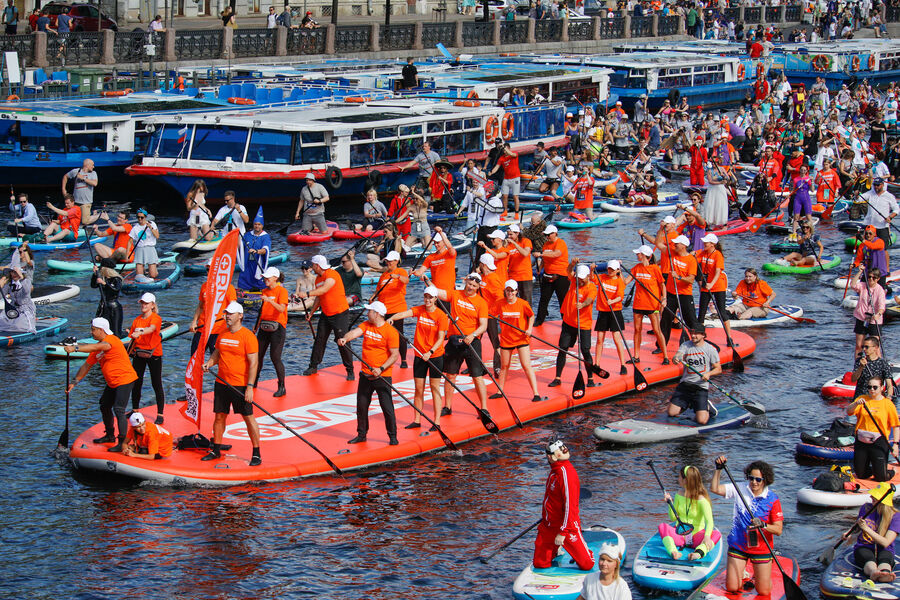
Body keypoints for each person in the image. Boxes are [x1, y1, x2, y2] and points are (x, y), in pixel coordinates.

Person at [710, 456, 783, 596]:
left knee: (763, 591)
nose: (754, 482)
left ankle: (761, 577)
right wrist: (718, 469)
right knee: (732, 587)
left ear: (765, 480)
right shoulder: (740, 488)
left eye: (758, 480)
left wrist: (763, 525)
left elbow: (778, 530)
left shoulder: (773, 499)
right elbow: (714, 488)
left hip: (761, 548)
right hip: (739, 544)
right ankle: (743, 573)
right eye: (751, 478)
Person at [64, 317, 139, 453]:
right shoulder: (97, 348)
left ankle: (122, 442)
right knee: (104, 405)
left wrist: (75, 348)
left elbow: (99, 346)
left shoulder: (111, 341)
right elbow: (87, 366)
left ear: (101, 330)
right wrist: (74, 382)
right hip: (113, 382)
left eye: (93, 330)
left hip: (125, 380)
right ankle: (110, 435)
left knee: (119, 409)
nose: (91, 332)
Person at [200, 301, 262, 465]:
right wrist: (209, 363)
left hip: (240, 385)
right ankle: (216, 450)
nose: (227, 316)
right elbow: (217, 353)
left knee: (248, 418)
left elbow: (254, 363)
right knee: (219, 416)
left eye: (231, 313)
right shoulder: (222, 334)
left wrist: (250, 387)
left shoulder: (248, 336)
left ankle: (256, 453)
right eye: (226, 313)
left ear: (240, 316)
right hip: (221, 383)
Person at [339, 301, 400, 446]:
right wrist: (345, 338)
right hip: (365, 374)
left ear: (377, 314)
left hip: (382, 375)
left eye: (370, 311)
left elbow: (394, 355)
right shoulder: (366, 325)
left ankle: (392, 436)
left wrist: (381, 368)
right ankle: (361, 434)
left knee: (386, 407)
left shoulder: (390, 332)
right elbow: (354, 333)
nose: (367, 314)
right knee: (361, 405)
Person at [387, 286, 448, 429]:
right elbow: (404, 314)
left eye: (430, 297)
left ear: (435, 299)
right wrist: (392, 318)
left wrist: (430, 352)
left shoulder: (441, 316)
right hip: (419, 355)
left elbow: (441, 339)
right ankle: (417, 420)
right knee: (418, 389)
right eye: (426, 297)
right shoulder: (420, 309)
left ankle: (437, 422)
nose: (427, 300)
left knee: (434, 388)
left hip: (435, 356)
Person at [430, 272, 490, 415]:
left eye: (474, 286)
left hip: (472, 342)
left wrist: (473, 335)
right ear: (466, 282)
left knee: (477, 376)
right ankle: (448, 407)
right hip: (454, 340)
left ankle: (484, 408)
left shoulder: (481, 302)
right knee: (450, 375)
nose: (470, 287)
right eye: (469, 284)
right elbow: (438, 292)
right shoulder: (456, 294)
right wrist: (427, 281)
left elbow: (483, 326)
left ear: (478, 287)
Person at [534, 439, 594, 571]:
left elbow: (570, 506)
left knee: (587, 564)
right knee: (540, 563)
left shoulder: (566, 474)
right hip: (549, 525)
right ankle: (556, 550)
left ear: (551, 457)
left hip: (566, 526)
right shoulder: (554, 472)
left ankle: (585, 551)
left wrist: (563, 532)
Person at [299, 255, 354, 380]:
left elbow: (325, 289)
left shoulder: (332, 274)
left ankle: (350, 370)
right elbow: (319, 297)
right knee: (320, 339)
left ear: (318, 265)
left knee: (342, 341)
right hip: (326, 313)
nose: (311, 267)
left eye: (312, 265)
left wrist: (307, 294)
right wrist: (311, 312)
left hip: (339, 313)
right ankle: (313, 366)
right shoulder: (318, 279)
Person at [549, 262, 598, 388]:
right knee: (562, 348)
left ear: (588, 277)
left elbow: (590, 299)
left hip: (583, 324)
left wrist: (583, 305)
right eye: (578, 278)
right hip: (568, 322)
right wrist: (572, 264)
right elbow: (568, 271)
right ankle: (557, 378)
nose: (579, 281)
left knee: (585, 351)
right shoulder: (573, 282)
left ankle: (591, 378)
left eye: (582, 279)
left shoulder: (591, 287)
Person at [492, 280, 541, 402]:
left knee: (526, 365)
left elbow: (531, 316)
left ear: (516, 291)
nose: (510, 293)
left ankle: (536, 393)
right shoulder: (500, 303)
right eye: (508, 290)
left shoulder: (523, 304)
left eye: (512, 291)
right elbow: (489, 314)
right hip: (506, 339)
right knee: (504, 366)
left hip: (521, 338)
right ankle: (500, 391)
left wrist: (529, 329)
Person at [658, 465, 720, 560]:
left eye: (679, 477)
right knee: (663, 526)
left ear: (685, 480)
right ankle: (673, 551)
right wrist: (670, 504)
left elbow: (710, 522)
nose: (678, 479)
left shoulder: (702, 500)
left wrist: (707, 537)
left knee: (716, 534)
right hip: (679, 534)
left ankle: (698, 553)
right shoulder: (679, 494)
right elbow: (673, 518)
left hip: (696, 537)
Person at [624, 244, 669, 364]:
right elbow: (626, 282)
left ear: (645, 256)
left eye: (638, 253)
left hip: (652, 304)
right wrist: (617, 273)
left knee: (656, 330)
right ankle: (636, 356)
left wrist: (663, 299)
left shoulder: (655, 269)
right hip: (638, 303)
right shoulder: (636, 267)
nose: (636, 255)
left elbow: (662, 285)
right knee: (637, 330)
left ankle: (665, 356)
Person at [849, 482, 900, 583]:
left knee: (885, 558)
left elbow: (885, 542)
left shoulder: (896, 516)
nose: (871, 496)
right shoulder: (865, 508)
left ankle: (885, 573)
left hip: (885, 549)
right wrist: (849, 535)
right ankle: (873, 572)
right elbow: (858, 528)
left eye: (875, 496)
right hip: (865, 546)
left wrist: (867, 529)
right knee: (868, 559)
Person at [668, 326, 721, 425]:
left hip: (700, 387)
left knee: (702, 421)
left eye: (696, 333)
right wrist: (676, 358)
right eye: (691, 333)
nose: (693, 335)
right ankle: (689, 403)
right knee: (671, 413)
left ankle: (707, 406)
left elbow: (718, 369)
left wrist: (708, 374)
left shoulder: (710, 350)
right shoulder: (686, 345)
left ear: (703, 335)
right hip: (685, 385)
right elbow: (679, 354)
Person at [128, 292, 166, 425]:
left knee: (156, 383)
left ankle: (160, 414)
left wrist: (140, 332)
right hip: (139, 354)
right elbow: (132, 339)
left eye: (146, 303)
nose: (144, 305)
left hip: (153, 354)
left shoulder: (155, 318)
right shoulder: (137, 320)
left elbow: (151, 329)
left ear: (152, 305)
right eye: (142, 303)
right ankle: (135, 409)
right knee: (136, 382)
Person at [189, 262, 236, 355]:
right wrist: (194, 322)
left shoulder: (228, 287)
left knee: (218, 360)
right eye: (207, 270)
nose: (209, 272)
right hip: (202, 328)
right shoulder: (204, 286)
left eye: (212, 270)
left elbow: (234, 308)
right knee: (194, 357)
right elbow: (200, 306)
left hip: (218, 330)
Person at [372, 250, 409, 368]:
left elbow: (406, 280)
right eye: (387, 261)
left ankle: (403, 359)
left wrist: (397, 276)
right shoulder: (384, 275)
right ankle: (386, 357)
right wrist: (373, 297)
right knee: (385, 334)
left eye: (390, 261)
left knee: (399, 334)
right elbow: (379, 289)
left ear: (396, 261)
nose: (388, 263)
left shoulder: (401, 271)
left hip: (397, 308)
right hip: (384, 309)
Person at [660, 235, 699, 345]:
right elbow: (659, 244)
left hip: (684, 294)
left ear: (683, 246)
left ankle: (697, 341)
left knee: (690, 319)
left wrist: (678, 277)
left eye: (677, 243)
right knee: (665, 319)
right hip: (671, 293)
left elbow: (691, 280)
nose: (675, 245)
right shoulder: (672, 253)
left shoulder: (691, 260)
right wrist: (662, 229)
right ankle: (661, 345)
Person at [256, 267, 288, 397]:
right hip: (264, 326)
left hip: (278, 327)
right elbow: (261, 311)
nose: (265, 279)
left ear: (275, 278)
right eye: (264, 277)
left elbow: (281, 308)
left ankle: (281, 386)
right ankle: (253, 382)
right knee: (257, 356)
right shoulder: (263, 291)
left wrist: (270, 300)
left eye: (267, 277)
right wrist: (255, 327)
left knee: (275, 357)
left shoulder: (282, 291)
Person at [593, 260, 628, 375]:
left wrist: (612, 301)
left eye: (612, 270)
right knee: (599, 339)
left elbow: (620, 297)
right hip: (603, 311)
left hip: (615, 312)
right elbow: (591, 278)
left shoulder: (619, 282)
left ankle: (622, 365)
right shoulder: (602, 277)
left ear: (618, 270)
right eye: (609, 269)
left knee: (617, 339)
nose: (610, 271)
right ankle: (596, 364)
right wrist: (591, 269)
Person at [695, 234, 732, 339]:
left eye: (706, 242)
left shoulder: (718, 255)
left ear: (712, 244)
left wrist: (712, 284)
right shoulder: (703, 253)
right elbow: (692, 258)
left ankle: (729, 337)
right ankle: (700, 336)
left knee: (721, 312)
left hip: (718, 286)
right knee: (701, 312)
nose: (704, 244)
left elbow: (718, 272)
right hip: (706, 286)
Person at [534, 225, 569, 327]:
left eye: (549, 235)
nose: (547, 237)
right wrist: (539, 268)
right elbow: (545, 259)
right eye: (546, 235)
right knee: (544, 299)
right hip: (547, 275)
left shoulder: (560, 243)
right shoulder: (546, 245)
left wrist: (540, 254)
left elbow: (556, 254)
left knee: (562, 299)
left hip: (561, 275)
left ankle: (566, 321)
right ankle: (540, 319)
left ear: (555, 234)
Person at [862, 178, 899, 272]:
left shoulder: (889, 196)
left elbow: (896, 210)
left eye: (878, 185)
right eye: (875, 185)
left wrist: (890, 217)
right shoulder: (870, 193)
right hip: (870, 227)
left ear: (882, 185)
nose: (876, 187)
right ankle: (868, 268)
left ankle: (886, 269)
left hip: (882, 226)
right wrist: (856, 193)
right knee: (867, 248)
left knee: (884, 249)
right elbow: (859, 198)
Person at [850, 263, 887, 357]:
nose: (871, 279)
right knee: (859, 345)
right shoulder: (863, 286)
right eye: (869, 277)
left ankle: (878, 366)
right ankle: (857, 366)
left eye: (874, 278)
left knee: (875, 347)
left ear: (878, 279)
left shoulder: (880, 290)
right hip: (861, 317)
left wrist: (878, 314)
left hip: (874, 320)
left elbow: (882, 307)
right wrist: (860, 272)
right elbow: (853, 285)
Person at [414, 226, 457, 303]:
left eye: (438, 242)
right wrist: (414, 272)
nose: (436, 245)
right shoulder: (430, 257)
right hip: (435, 293)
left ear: (443, 242)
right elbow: (420, 272)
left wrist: (440, 233)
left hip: (448, 292)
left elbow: (450, 247)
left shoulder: (450, 254)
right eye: (435, 243)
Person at [852, 335, 896, 400]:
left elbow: (889, 385)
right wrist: (861, 367)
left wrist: (889, 397)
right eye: (863, 346)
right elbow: (853, 379)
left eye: (866, 347)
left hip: (876, 399)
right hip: (861, 398)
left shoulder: (883, 363)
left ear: (875, 348)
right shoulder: (859, 361)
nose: (864, 349)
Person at [238, 209, 270, 291]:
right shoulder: (247, 235)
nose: (257, 226)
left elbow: (265, 249)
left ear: (262, 225)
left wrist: (257, 251)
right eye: (255, 224)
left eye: (259, 224)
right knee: (243, 282)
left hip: (258, 265)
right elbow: (240, 246)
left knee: (260, 283)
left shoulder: (265, 236)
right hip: (247, 265)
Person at [91, 258, 124, 337]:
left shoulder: (116, 279)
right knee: (99, 327)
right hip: (103, 306)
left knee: (115, 332)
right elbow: (93, 285)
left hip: (113, 307)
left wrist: (104, 284)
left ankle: (124, 334)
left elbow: (115, 290)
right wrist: (95, 275)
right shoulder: (102, 278)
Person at [61, 158, 98, 225]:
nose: (93, 167)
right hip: (75, 201)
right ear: (87, 165)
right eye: (92, 165)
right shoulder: (76, 171)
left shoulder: (93, 173)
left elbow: (95, 183)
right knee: (71, 218)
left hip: (86, 202)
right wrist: (64, 189)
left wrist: (83, 178)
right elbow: (65, 177)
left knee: (85, 221)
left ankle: (98, 215)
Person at [0, 265, 35, 334]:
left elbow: (26, 291)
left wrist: (21, 278)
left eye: (16, 272)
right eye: (12, 272)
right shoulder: (9, 284)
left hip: (25, 309)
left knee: (20, 327)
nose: (13, 274)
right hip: (12, 308)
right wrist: (1, 286)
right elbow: (1, 296)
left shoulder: (26, 282)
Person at [491, 143, 521, 218]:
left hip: (515, 178)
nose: (505, 151)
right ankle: (505, 211)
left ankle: (516, 213)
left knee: (515, 196)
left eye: (506, 149)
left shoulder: (514, 154)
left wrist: (506, 148)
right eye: (504, 150)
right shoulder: (501, 158)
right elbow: (497, 167)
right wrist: (491, 172)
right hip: (506, 179)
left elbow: (513, 155)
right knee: (504, 195)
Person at [129, 208, 160, 283]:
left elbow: (157, 236)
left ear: (145, 217)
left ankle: (154, 270)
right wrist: (128, 254)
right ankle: (143, 270)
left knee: (153, 275)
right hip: (140, 249)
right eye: (138, 217)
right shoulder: (135, 228)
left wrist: (150, 227)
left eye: (142, 217)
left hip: (150, 248)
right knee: (139, 275)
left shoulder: (152, 224)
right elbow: (130, 241)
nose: (140, 219)